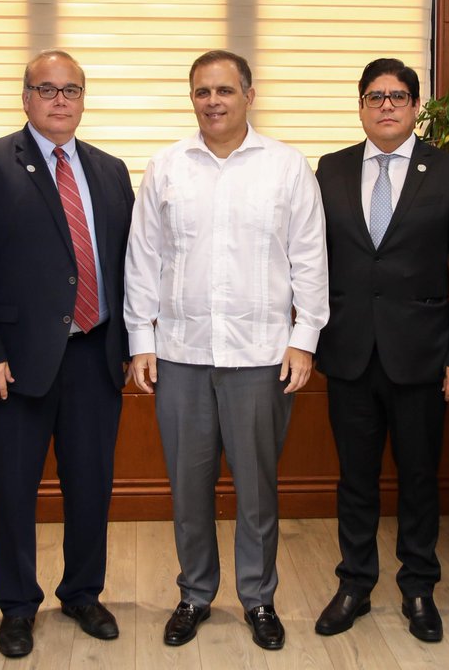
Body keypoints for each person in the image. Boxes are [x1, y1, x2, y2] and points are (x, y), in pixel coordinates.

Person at [125, 50, 328, 651]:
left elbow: (310, 259)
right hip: (181, 353)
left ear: (249, 94)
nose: (212, 101)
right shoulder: (165, 168)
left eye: (224, 90)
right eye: (201, 92)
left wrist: (303, 339)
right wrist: (142, 339)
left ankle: (259, 598)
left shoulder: (288, 168)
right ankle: (194, 594)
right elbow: (144, 260)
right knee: (188, 489)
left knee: (257, 489)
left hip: (262, 356)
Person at [0, 50, 134, 658]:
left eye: (70, 90)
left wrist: (132, 343)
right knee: (14, 491)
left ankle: (82, 592)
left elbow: (130, 265)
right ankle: (17, 606)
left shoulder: (110, 170)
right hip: (12, 364)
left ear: (82, 99)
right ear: (26, 98)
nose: (59, 100)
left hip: (95, 356)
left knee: (90, 486)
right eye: (46, 89)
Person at [313, 58, 449, 642]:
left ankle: (418, 588)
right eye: (375, 96)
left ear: (415, 107)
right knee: (355, 479)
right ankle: (355, 584)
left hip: (424, 357)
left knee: (418, 478)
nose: (387, 105)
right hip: (348, 353)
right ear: (360, 105)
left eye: (399, 96)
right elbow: (310, 264)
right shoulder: (329, 170)